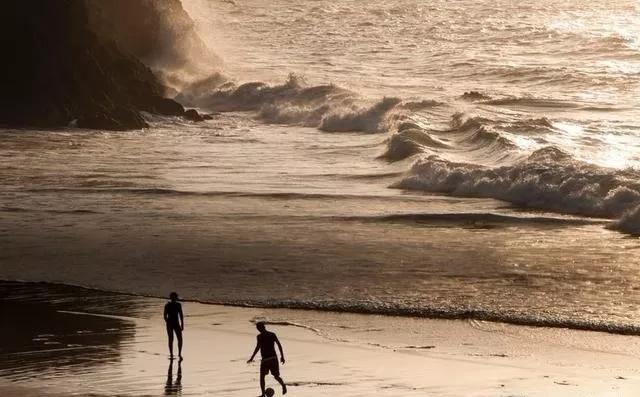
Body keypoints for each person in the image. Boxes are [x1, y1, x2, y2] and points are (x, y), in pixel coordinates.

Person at [247, 322, 287, 396]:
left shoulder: (263, 336)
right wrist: (282, 356)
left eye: (258, 328)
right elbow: (278, 345)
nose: (258, 330)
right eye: (257, 328)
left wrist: (252, 358)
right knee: (270, 376)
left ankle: (265, 393)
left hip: (268, 359)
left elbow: (258, 348)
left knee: (267, 377)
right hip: (270, 359)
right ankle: (281, 386)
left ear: (262, 327)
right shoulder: (269, 335)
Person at [164, 292, 184, 360]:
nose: (174, 298)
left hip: (172, 323)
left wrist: (167, 321)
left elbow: (164, 316)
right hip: (174, 323)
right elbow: (181, 315)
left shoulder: (169, 305)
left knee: (172, 339)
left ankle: (175, 353)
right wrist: (182, 324)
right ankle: (176, 354)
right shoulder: (177, 305)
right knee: (176, 339)